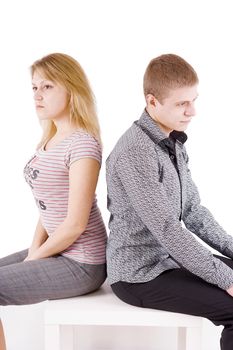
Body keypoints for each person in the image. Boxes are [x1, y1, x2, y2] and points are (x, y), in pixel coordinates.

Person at [106, 53, 233, 350]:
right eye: (182, 103)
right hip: (139, 275)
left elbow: (193, 212)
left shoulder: (171, 142)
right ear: (152, 102)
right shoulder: (135, 151)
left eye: (193, 100)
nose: (192, 111)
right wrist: (226, 279)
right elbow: (168, 229)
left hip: (168, 260)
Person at [0, 53, 107, 349]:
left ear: (72, 89)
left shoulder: (83, 144)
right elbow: (47, 205)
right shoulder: (50, 139)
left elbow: (74, 224)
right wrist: (35, 250)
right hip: (60, 250)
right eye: (34, 87)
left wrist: (34, 260)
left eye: (47, 87)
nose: (37, 95)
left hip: (84, 262)